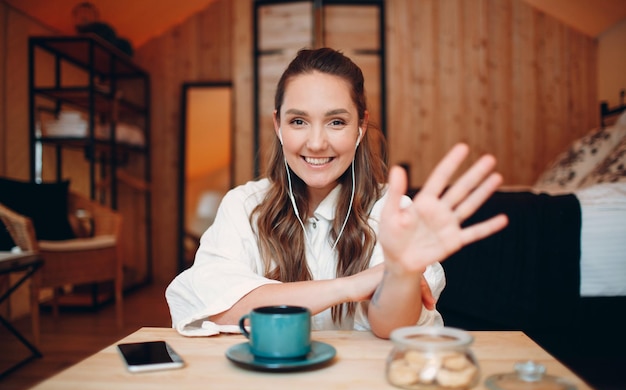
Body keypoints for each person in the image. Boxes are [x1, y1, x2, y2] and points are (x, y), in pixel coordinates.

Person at [166, 47, 508, 339]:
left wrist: (401, 274)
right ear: (278, 125)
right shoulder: (243, 206)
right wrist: (352, 286)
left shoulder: (392, 212)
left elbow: (392, 328)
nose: (316, 143)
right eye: (298, 121)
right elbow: (221, 308)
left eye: (336, 122)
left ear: (361, 127)